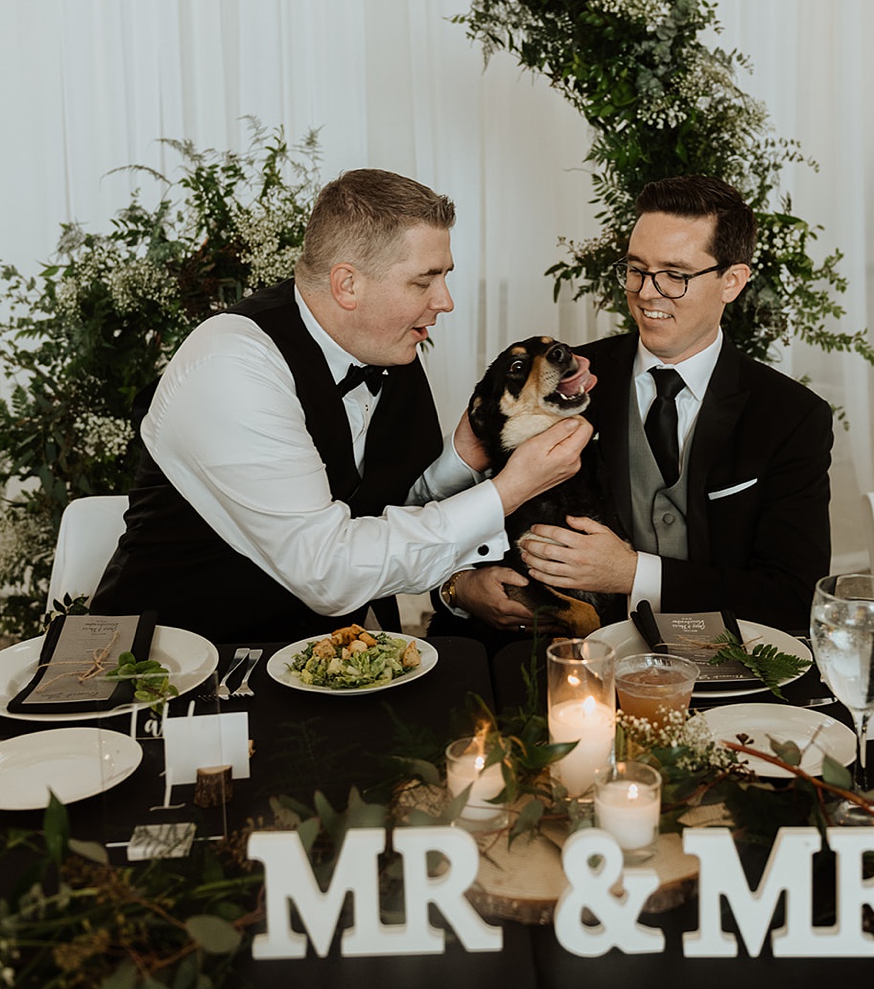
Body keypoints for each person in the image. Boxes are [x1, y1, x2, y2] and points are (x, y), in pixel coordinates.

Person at [92, 168, 591, 642]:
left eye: (446, 276)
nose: (445, 301)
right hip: (171, 663)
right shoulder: (232, 365)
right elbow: (328, 571)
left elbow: (385, 510)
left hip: (320, 656)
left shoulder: (387, 348)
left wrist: (461, 457)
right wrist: (508, 490)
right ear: (347, 284)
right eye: (424, 280)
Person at [443, 174, 832, 636]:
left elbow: (793, 598)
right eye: (636, 269)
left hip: (729, 660)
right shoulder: (559, 386)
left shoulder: (791, 415)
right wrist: (459, 588)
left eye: (674, 276)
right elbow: (450, 524)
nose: (647, 292)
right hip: (571, 666)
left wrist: (632, 573)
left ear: (732, 282)